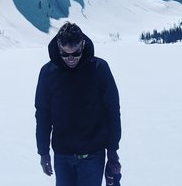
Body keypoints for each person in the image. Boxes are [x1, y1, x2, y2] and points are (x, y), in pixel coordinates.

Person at [35, 22, 122, 186]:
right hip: (62, 155)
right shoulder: (47, 73)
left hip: (93, 155)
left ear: (82, 44)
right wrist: (43, 152)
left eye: (76, 53)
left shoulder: (99, 69)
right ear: (58, 47)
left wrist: (112, 150)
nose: (71, 59)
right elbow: (43, 114)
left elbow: (112, 110)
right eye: (65, 54)